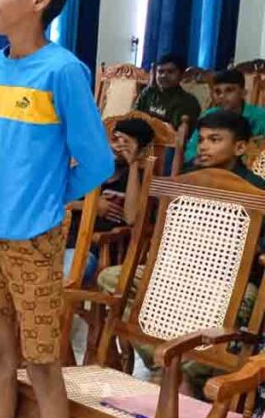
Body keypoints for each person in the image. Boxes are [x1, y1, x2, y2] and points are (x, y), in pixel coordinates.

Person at [0, 0, 114, 418]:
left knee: (43, 362)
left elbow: (97, 161)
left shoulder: (62, 70)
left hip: (33, 237)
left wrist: (47, 198)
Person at [97, 110, 264, 397]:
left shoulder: (257, 191)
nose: (204, 147)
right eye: (202, 139)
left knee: (244, 301)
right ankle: (164, 362)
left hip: (226, 285)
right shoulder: (186, 178)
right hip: (177, 273)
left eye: (215, 140)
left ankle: (184, 372)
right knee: (112, 278)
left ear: (239, 147)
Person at [63, 117, 154, 285]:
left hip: (91, 251)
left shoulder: (138, 180)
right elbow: (53, 202)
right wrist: (88, 206)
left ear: (141, 151)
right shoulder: (89, 169)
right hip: (61, 240)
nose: (118, 147)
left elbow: (132, 218)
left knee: (64, 274)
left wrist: (133, 163)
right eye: (116, 139)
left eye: (126, 143)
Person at [184, 69, 265, 164]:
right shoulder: (208, 116)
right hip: (211, 165)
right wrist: (195, 160)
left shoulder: (260, 117)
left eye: (229, 90)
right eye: (218, 92)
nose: (222, 96)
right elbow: (191, 150)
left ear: (243, 93)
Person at [135, 53, 202, 130]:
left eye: (170, 72)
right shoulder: (148, 93)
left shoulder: (189, 101)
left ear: (182, 75)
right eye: (160, 72)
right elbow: (134, 117)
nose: (164, 76)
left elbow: (180, 132)